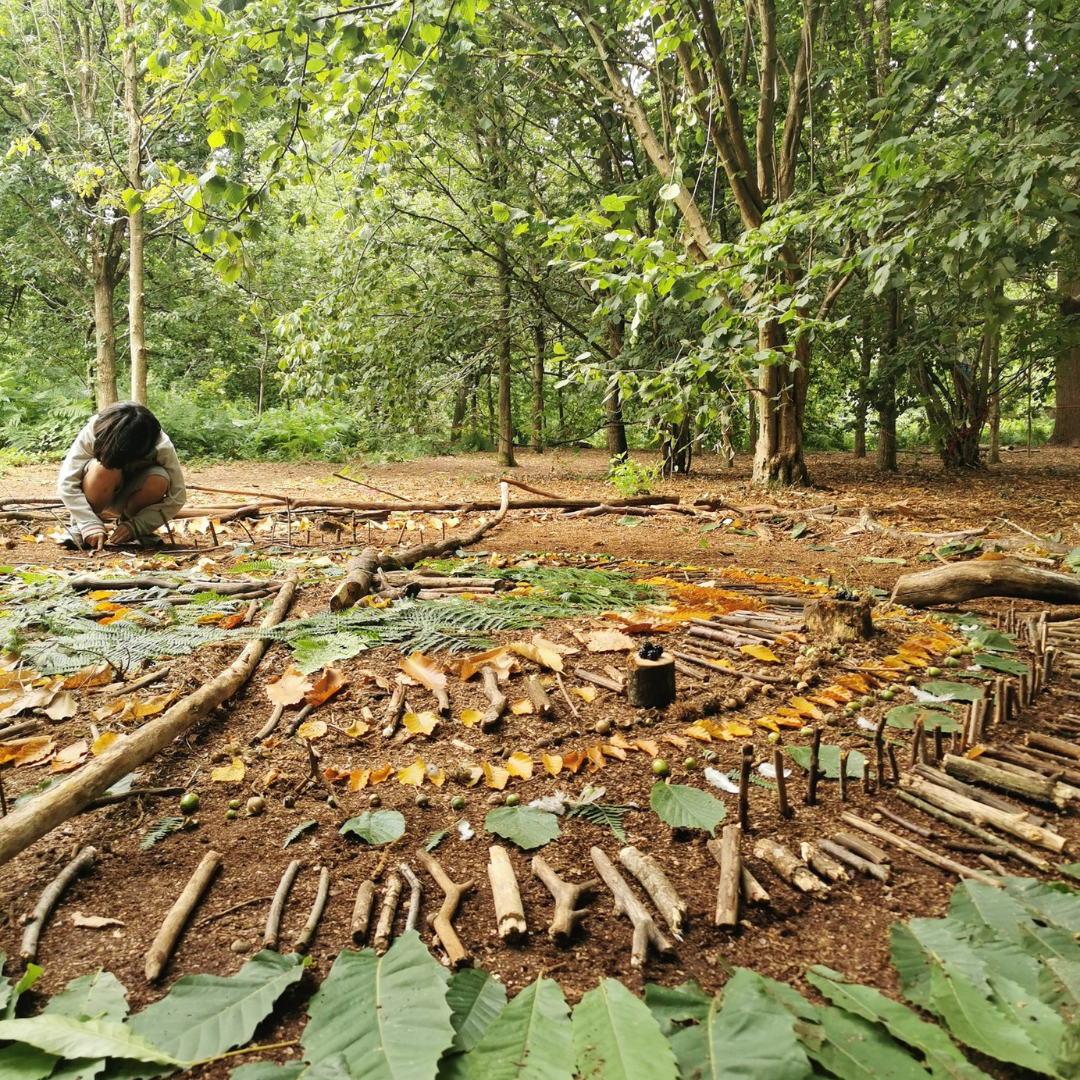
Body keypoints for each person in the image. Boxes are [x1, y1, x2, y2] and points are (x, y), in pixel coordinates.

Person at [57, 402, 186, 549]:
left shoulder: (160, 444)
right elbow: (67, 483)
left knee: (159, 478)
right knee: (103, 468)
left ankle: (129, 530)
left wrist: (139, 525)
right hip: (97, 492)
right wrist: (88, 522)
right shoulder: (96, 431)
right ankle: (81, 528)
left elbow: (177, 495)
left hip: (130, 496)